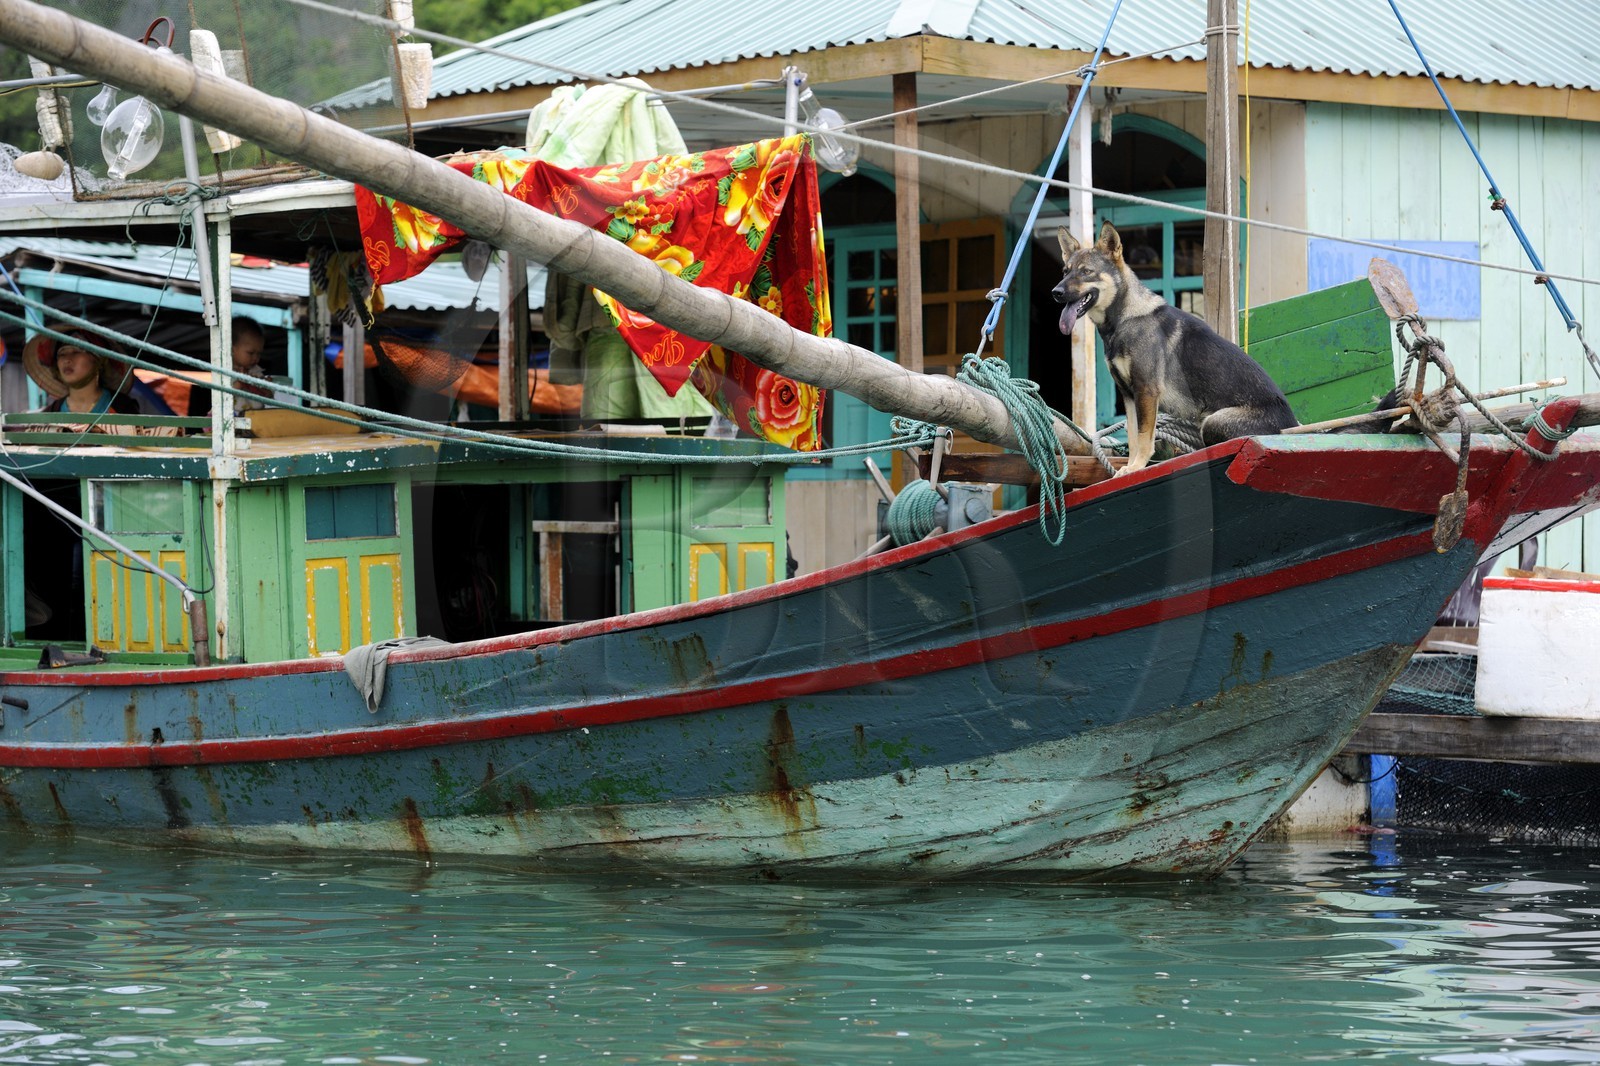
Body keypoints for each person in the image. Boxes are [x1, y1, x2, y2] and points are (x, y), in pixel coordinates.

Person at [22, 326, 141, 418]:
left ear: (97, 360)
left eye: (76, 352)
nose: (67, 360)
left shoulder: (123, 408)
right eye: (62, 354)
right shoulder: (51, 414)